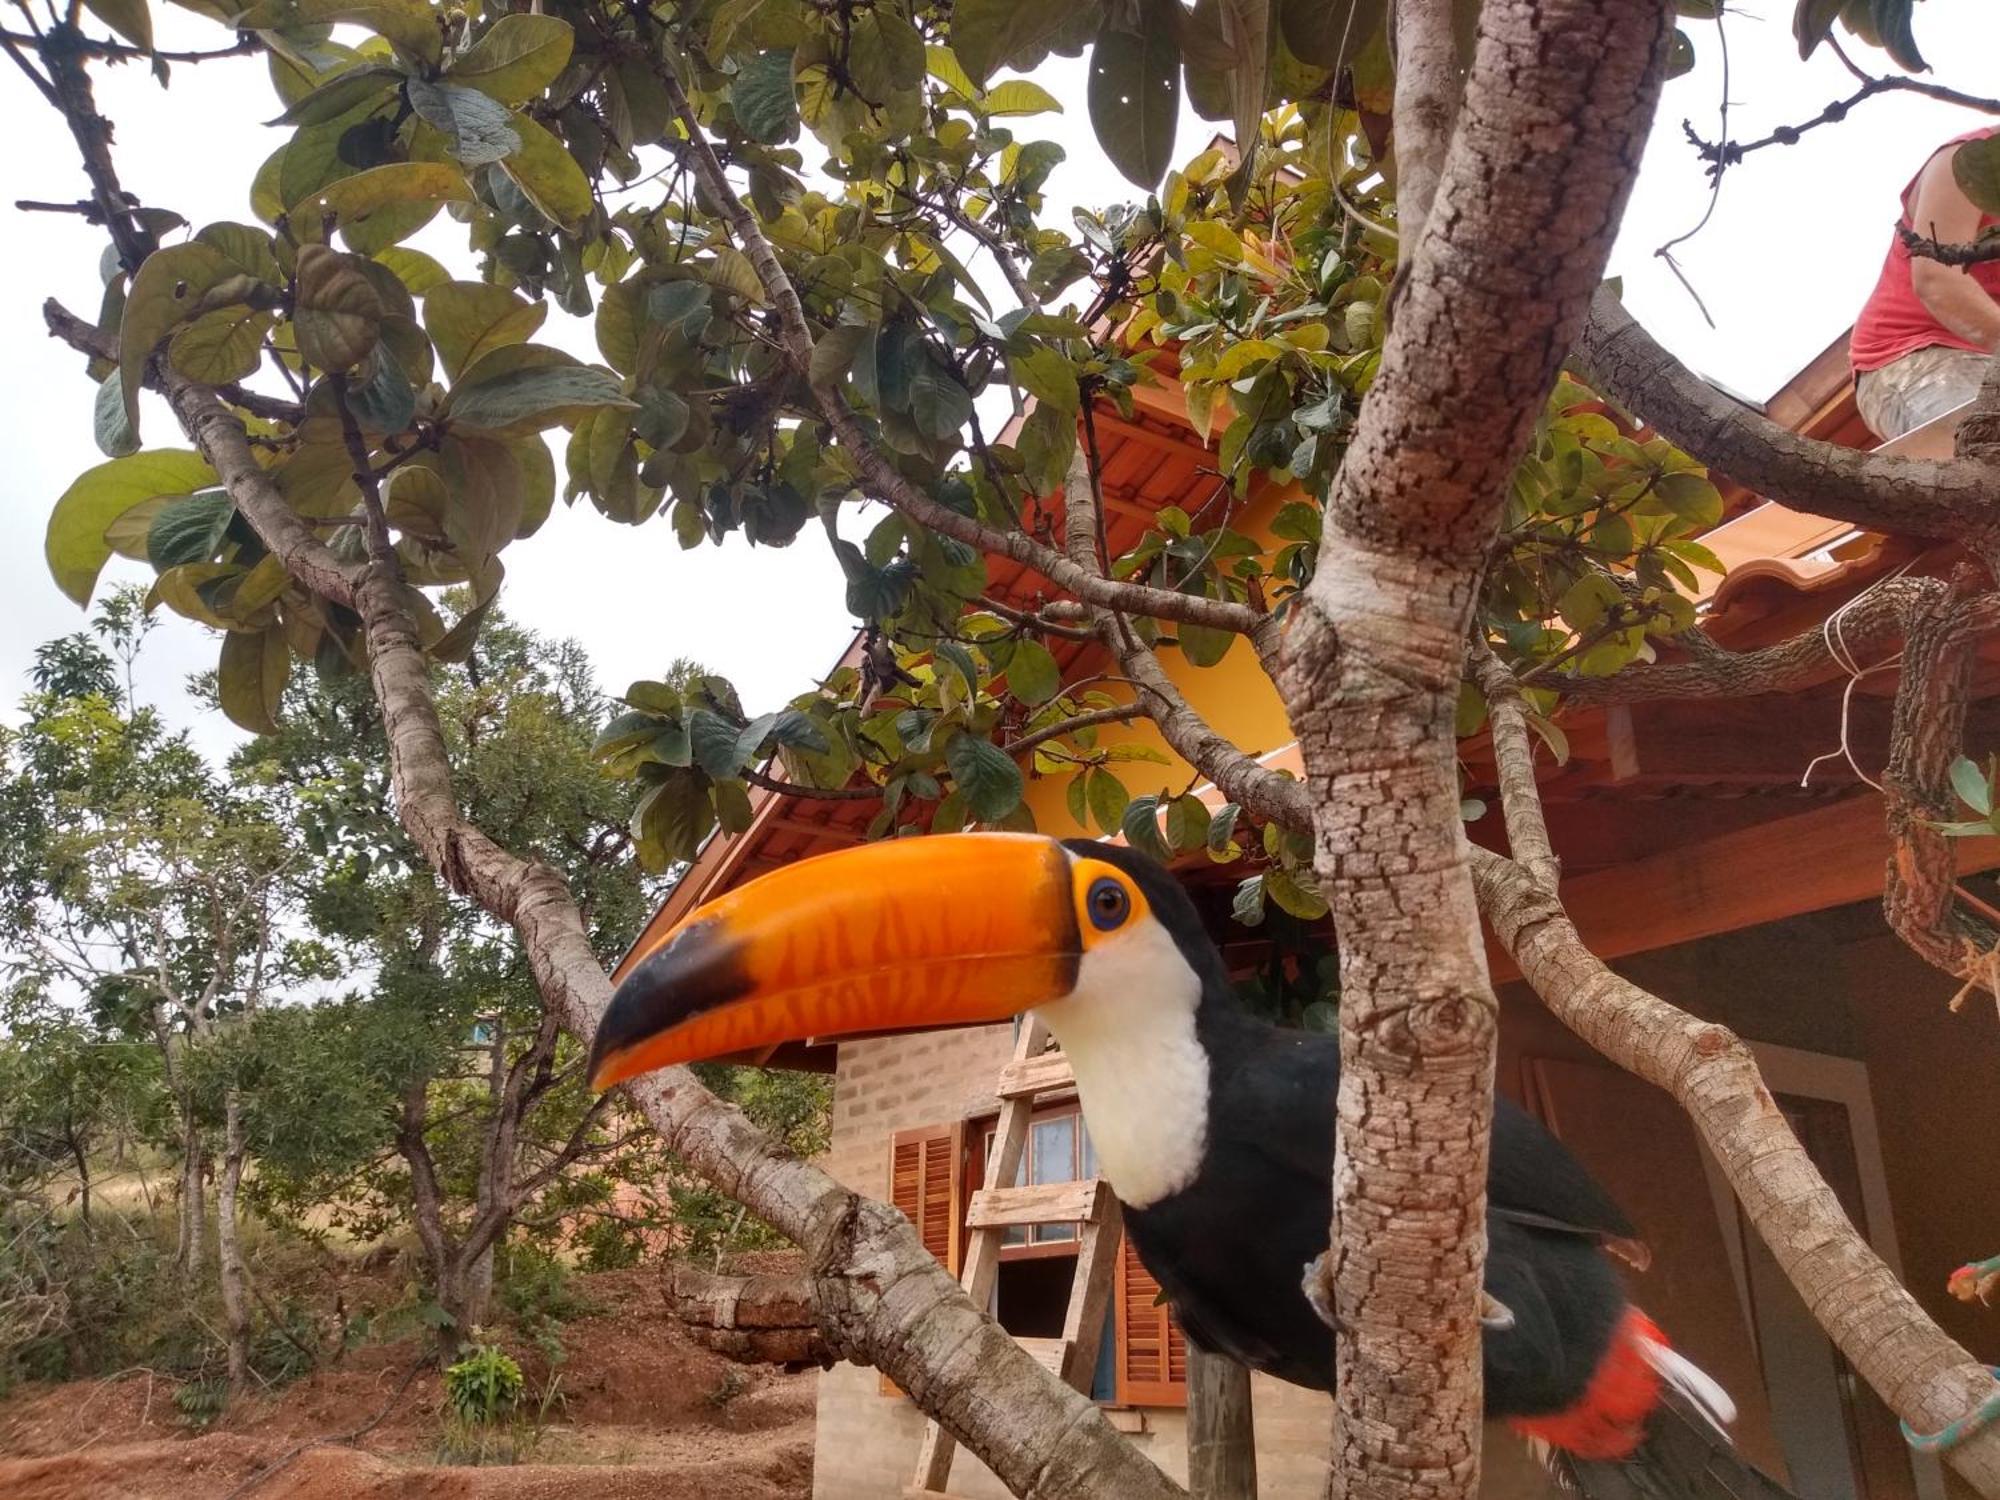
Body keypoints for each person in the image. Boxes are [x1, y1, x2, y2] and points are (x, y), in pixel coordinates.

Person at [1851, 126, 2000, 441]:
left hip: (1990, 354)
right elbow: (1937, 282)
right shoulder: (1972, 161)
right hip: (1915, 353)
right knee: (1989, 451)